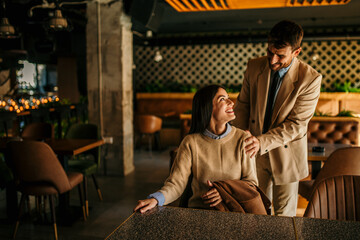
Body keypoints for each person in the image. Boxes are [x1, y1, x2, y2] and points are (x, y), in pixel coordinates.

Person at [232, 20, 322, 216]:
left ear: (296, 52)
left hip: (287, 155)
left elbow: (296, 125)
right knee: (255, 211)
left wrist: (261, 141)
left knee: (285, 216)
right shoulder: (254, 66)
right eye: (269, 52)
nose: (272, 60)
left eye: (280, 56)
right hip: (254, 153)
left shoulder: (311, 79)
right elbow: (243, 106)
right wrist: (238, 136)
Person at [134, 85, 258, 213]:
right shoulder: (190, 142)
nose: (231, 102)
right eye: (222, 99)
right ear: (208, 107)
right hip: (199, 213)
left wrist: (224, 193)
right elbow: (176, 184)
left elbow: (252, 184)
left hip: (234, 214)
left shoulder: (244, 139)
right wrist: (155, 199)